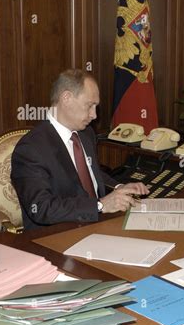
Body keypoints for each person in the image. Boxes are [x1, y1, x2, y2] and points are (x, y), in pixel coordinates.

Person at [11, 69, 149, 230]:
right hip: (57, 235)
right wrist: (99, 205)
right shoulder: (31, 148)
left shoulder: (86, 134)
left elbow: (90, 173)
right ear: (66, 98)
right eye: (90, 106)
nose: (94, 115)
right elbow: (41, 208)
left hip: (98, 225)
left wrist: (119, 188)